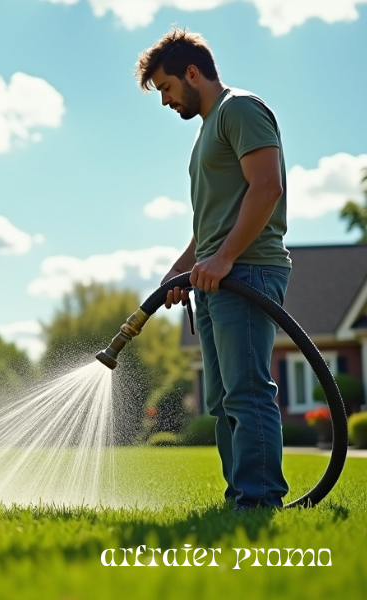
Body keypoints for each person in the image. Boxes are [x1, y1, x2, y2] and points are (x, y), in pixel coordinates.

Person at [135, 28, 291, 510]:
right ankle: (239, 496)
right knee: (222, 399)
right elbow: (213, 222)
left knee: (246, 390)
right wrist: (180, 270)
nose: (164, 101)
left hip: (247, 272)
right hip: (217, 277)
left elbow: (267, 187)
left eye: (165, 87)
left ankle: (259, 499)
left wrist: (223, 258)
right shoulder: (210, 128)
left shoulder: (239, 109)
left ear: (192, 73)